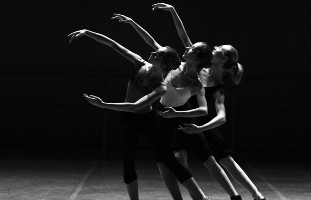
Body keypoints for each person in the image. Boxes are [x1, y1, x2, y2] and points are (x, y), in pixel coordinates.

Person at [68, 14, 210, 200]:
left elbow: (135, 107)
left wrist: (103, 104)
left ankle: (200, 197)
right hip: (128, 120)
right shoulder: (139, 62)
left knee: (167, 157)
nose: (152, 53)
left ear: (164, 64)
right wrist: (88, 32)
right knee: (128, 160)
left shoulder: (160, 87)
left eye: (157, 55)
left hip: (145, 119)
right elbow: (114, 45)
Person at [153, 3, 266, 200]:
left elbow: (221, 117)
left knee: (223, 159)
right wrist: (173, 11)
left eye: (219, 48)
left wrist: (201, 128)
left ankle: (252, 195)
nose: (215, 47)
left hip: (201, 122)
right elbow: (183, 36)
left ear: (225, 58)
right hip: (184, 115)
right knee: (179, 158)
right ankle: (198, 196)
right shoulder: (199, 69)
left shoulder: (217, 86)